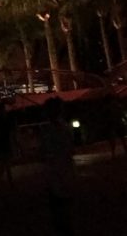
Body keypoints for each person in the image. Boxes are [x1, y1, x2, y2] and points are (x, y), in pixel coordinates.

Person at [41, 97, 76, 236]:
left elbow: (43, 151)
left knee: (57, 205)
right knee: (65, 204)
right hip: (64, 169)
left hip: (55, 170)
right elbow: (71, 149)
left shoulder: (48, 129)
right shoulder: (64, 127)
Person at [0, 101, 16, 190]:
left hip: (2, 145)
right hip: (4, 145)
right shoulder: (4, 121)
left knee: (5, 166)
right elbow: (10, 132)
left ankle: (5, 183)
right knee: (5, 166)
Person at [101, 93, 127, 158]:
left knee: (115, 139)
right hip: (115, 123)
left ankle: (114, 153)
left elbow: (106, 116)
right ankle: (117, 152)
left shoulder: (109, 107)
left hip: (113, 123)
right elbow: (121, 114)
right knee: (121, 138)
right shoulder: (116, 106)